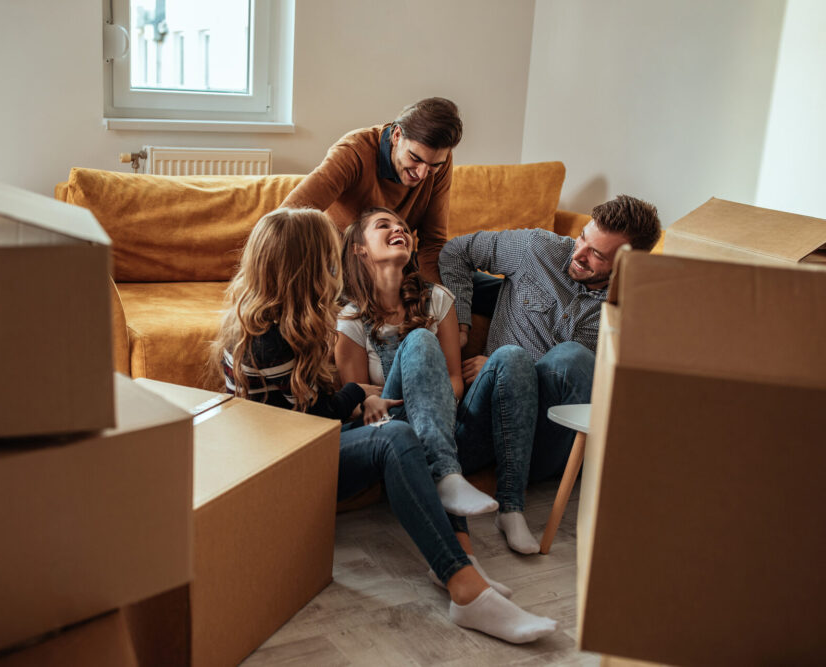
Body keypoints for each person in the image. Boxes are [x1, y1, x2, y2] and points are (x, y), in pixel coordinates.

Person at [215, 207, 557, 644]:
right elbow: (305, 426)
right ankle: (467, 585)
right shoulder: (269, 339)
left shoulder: (287, 319)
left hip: (309, 440)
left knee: (417, 351)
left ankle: (463, 565)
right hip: (286, 463)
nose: (334, 265)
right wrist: (359, 396)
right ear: (306, 265)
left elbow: (310, 412)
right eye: (327, 256)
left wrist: (361, 398)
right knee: (396, 434)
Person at [439, 195, 662, 554]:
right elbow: (455, 251)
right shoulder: (536, 249)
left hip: (547, 443)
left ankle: (513, 498)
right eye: (582, 239)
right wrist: (461, 323)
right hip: (486, 418)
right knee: (510, 357)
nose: (579, 254)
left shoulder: (635, 307)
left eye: (597, 255)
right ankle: (511, 508)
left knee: (572, 358)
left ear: (626, 266)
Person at [334, 207, 496, 517]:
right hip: (387, 424)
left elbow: (454, 383)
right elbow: (358, 401)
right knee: (421, 339)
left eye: (404, 227)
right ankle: (446, 474)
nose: (400, 230)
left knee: (428, 342)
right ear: (360, 250)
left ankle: (448, 476)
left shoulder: (438, 299)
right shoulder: (351, 317)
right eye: (384, 226)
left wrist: (428, 407)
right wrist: (410, 403)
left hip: (439, 415)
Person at [281, 97, 462, 286]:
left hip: (397, 266)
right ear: (397, 135)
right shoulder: (354, 151)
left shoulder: (439, 161)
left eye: (434, 165)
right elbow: (287, 217)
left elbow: (433, 242)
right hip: (340, 264)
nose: (423, 174)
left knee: (486, 288)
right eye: (415, 158)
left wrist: (436, 299)